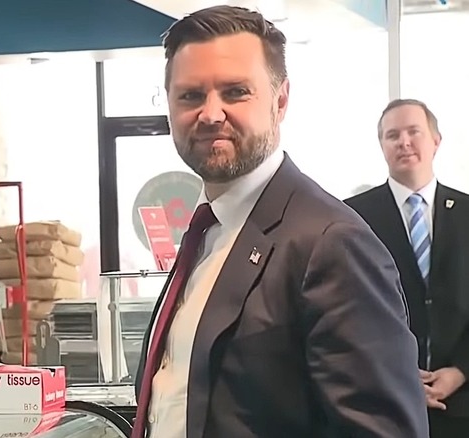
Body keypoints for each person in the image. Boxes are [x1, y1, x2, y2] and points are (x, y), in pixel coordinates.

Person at [132, 6, 428, 438]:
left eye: (235, 92)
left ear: (281, 100)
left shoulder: (331, 245)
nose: (211, 114)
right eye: (190, 96)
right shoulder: (208, 234)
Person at [345, 99, 469, 437]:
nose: (404, 142)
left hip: (461, 404)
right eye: (392, 135)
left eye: (414, 131)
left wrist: (460, 370)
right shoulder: (351, 218)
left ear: (436, 141)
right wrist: (395, 369)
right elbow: (347, 309)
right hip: (383, 402)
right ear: (382, 146)